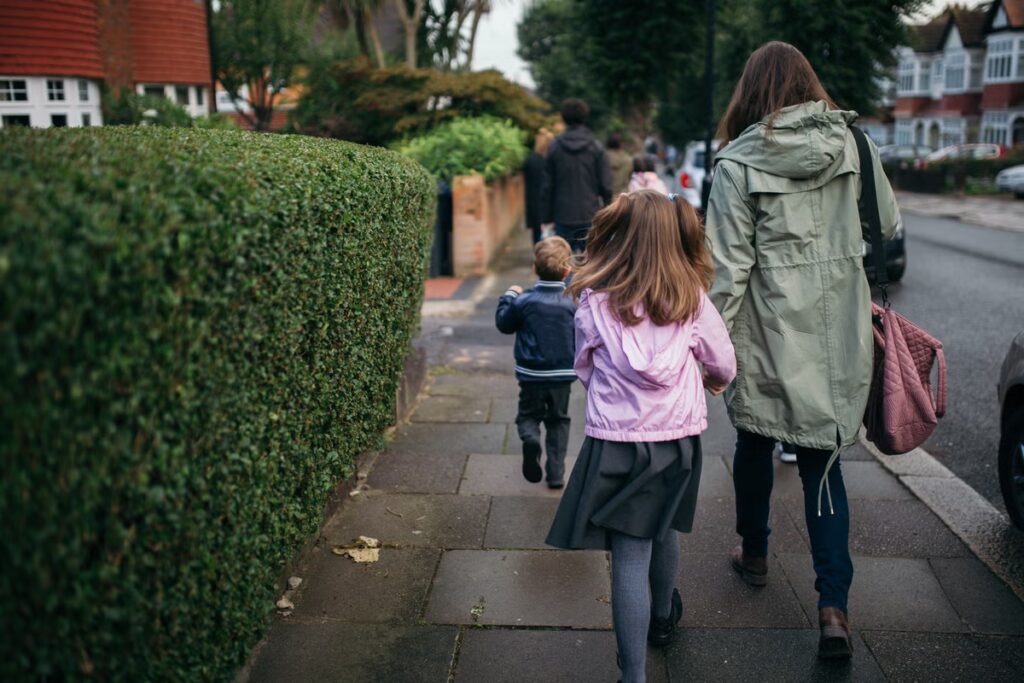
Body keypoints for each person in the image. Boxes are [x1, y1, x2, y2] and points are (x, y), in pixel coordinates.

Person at [705, 41, 900, 660]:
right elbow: (886, 225)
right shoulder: (857, 147)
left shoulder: (737, 165)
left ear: (750, 92)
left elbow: (728, 272)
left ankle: (755, 551)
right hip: (838, 329)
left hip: (767, 334)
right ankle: (833, 609)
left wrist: (707, 353)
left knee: (755, 438)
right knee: (823, 463)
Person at [547, 191, 736, 683]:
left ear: (620, 236)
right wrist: (711, 379)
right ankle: (663, 619)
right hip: (676, 438)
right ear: (674, 237)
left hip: (615, 443)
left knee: (629, 552)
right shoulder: (692, 297)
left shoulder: (594, 300)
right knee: (666, 526)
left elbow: (584, 368)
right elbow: (724, 363)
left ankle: (633, 676)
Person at [495, 236, 577, 488]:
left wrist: (508, 295)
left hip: (531, 374)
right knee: (558, 420)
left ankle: (531, 439)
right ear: (567, 270)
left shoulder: (524, 301)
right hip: (562, 374)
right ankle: (555, 474)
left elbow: (504, 324)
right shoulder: (573, 302)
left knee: (528, 416)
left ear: (534, 268)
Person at [541, 98, 613, 253]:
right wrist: (607, 211)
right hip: (590, 215)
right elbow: (606, 185)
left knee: (562, 264)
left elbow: (547, 186)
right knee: (592, 265)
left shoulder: (554, 147)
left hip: (562, 215)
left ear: (564, 118)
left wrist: (547, 218)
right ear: (585, 117)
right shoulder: (596, 147)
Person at [524, 129, 554, 244]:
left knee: (537, 240)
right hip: (549, 206)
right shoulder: (550, 161)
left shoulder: (530, 161)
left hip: (534, 205)